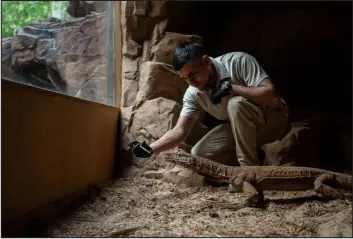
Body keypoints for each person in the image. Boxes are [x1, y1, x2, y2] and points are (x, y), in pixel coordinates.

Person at [130, 42, 291, 191]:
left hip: (273, 121)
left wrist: (232, 89)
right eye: (185, 78)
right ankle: (249, 163)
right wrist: (151, 148)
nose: (191, 82)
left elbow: (272, 96)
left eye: (193, 74)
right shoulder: (193, 93)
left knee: (235, 104)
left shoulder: (238, 61)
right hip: (243, 129)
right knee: (200, 152)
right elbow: (180, 131)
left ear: (206, 61)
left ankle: (249, 176)